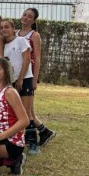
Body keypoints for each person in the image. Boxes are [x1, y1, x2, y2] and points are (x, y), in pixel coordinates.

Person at [18, 8, 55, 148]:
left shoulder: (34, 35)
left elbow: (38, 58)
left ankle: (31, 139)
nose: (26, 18)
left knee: (27, 111)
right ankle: (45, 132)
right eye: (24, 15)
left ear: (33, 20)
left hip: (28, 75)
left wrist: (35, 79)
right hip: (18, 74)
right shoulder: (15, 33)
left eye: (29, 16)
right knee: (29, 110)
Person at [0, 19, 34, 155]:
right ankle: (18, 142)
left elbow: (27, 59)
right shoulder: (3, 45)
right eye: (2, 27)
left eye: (7, 27)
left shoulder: (21, 40)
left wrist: (20, 79)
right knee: (15, 113)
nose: (4, 29)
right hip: (11, 82)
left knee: (26, 113)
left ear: (13, 28)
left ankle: (32, 142)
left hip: (24, 79)